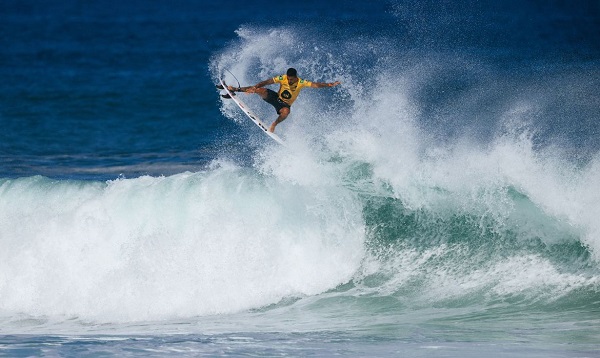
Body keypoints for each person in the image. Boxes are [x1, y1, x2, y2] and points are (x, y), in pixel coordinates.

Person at [227, 68, 341, 133]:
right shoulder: (283, 78)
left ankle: (274, 124)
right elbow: (267, 82)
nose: (289, 81)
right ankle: (234, 89)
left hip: (284, 104)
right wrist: (255, 87)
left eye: (291, 79)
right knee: (260, 89)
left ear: (296, 77)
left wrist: (330, 84)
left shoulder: (301, 82)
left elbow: (316, 85)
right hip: (275, 97)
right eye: (288, 78)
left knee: (286, 112)